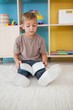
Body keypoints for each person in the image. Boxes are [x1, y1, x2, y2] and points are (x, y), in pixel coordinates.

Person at [13, 11, 61, 87]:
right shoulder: (18, 39)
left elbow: (43, 53)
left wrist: (44, 61)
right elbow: (16, 54)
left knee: (40, 72)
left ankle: (44, 78)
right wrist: (17, 61)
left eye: (34, 25)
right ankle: (21, 80)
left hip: (37, 62)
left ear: (37, 26)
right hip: (24, 61)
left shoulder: (40, 39)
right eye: (28, 26)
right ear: (22, 26)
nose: (31, 28)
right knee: (22, 72)